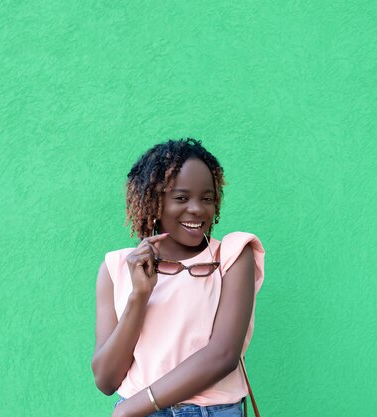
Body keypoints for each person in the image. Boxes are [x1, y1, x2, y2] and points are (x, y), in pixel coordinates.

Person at [92, 138, 265, 417]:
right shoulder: (116, 267)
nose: (197, 209)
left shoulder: (233, 255)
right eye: (181, 198)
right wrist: (139, 296)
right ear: (153, 201)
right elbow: (106, 379)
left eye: (207, 198)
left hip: (203, 412)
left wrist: (131, 409)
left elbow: (223, 355)